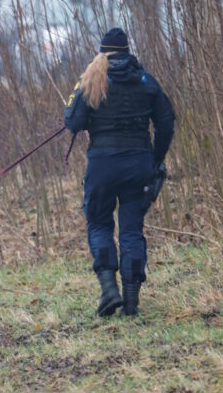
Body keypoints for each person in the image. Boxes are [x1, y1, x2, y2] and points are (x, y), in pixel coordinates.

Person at [64, 28, 175, 316]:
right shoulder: (147, 81)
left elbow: (72, 122)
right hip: (138, 164)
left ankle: (108, 289)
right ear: (128, 50)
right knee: (131, 228)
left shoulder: (91, 80)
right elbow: (167, 122)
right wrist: (154, 159)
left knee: (99, 223)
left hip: (102, 165)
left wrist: (82, 95)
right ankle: (131, 299)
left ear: (103, 52)